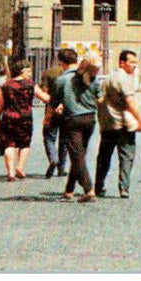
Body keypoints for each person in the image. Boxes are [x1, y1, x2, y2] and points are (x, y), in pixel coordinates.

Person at [95, 50, 141, 198]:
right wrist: (140, 120)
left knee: (104, 157)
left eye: (136, 63)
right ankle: (124, 187)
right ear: (121, 63)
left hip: (108, 123)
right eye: (131, 62)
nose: (134, 66)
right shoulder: (124, 79)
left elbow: (101, 99)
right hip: (123, 124)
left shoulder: (108, 78)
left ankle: (99, 186)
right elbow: (130, 102)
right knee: (126, 156)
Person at [54, 57, 103, 201]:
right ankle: (69, 189)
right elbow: (100, 100)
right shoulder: (94, 81)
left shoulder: (63, 80)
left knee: (77, 156)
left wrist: (58, 108)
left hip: (72, 120)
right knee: (79, 155)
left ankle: (89, 190)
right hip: (90, 120)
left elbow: (54, 100)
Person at [0, 60, 48, 181]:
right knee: (24, 143)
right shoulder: (31, 85)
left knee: (9, 144)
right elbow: (44, 98)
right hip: (25, 118)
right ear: (22, 71)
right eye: (29, 71)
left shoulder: (5, 86)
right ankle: (20, 167)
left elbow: (0, 105)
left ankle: (11, 173)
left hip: (8, 117)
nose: (30, 74)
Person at [41, 48, 77, 179]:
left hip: (52, 106)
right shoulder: (76, 74)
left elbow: (44, 90)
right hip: (69, 110)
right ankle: (62, 168)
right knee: (65, 140)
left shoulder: (49, 73)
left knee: (49, 136)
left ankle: (53, 158)